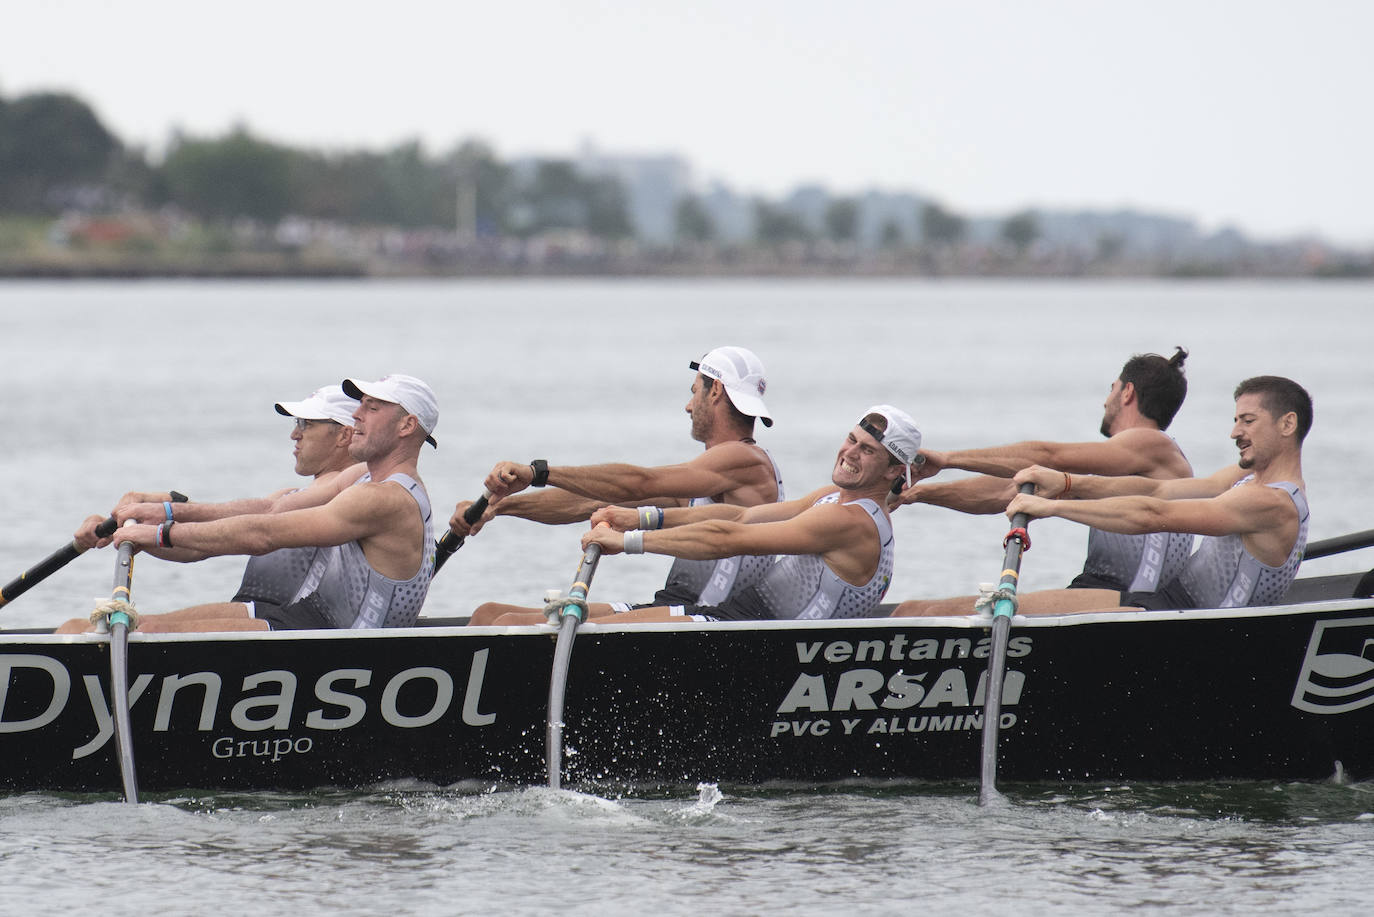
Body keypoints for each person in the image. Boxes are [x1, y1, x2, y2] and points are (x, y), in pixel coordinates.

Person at [58, 374, 439, 633]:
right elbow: (269, 511)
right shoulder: (359, 479)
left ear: (406, 427)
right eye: (360, 406)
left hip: (334, 644)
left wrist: (160, 529)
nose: (358, 414)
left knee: (146, 631)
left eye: (372, 408)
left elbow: (263, 532)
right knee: (114, 628)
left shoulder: (384, 498)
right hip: (300, 620)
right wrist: (162, 515)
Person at [908, 375, 1311, 616]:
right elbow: (1157, 491)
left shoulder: (1270, 504)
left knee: (955, 612)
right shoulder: (1243, 481)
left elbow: (1153, 514)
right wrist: (1066, 487)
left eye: (1247, 420)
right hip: (1162, 606)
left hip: (1180, 621)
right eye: (1235, 419)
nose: (1234, 432)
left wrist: (1053, 506)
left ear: (1287, 424)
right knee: (925, 611)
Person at [486, 405, 921, 625]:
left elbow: (728, 540)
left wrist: (630, 542)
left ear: (892, 470)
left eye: (868, 450)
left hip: (744, 637)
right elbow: (742, 520)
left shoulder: (849, 522)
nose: (849, 453)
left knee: (534, 629)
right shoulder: (832, 497)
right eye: (851, 439)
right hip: (730, 621)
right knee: (497, 619)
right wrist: (643, 520)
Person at [461, 346, 785, 624]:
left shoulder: (746, 461)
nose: (688, 406)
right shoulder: (708, 478)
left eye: (693, 391)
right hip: (673, 605)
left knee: (511, 625)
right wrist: (498, 508)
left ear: (714, 391)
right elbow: (586, 503)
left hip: (711, 617)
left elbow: (641, 483)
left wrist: (538, 472)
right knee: (488, 615)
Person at [892, 348, 1196, 616]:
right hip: (1099, 591)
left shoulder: (1156, 445)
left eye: (1111, 390)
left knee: (919, 613)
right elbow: (1001, 491)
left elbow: (1048, 455)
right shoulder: (1116, 472)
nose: (1106, 402)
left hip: (1135, 602)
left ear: (1127, 392)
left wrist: (948, 459)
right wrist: (917, 495)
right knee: (912, 610)